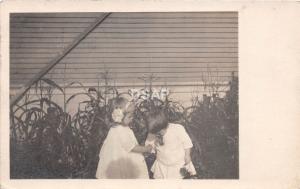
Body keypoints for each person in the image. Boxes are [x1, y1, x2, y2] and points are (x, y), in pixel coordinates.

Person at [95, 97, 152, 179]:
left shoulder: (115, 128)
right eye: (129, 117)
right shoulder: (121, 131)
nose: (132, 118)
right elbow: (132, 147)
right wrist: (146, 149)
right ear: (120, 117)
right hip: (122, 161)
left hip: (117, 157)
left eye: (132, 116)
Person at [145, 109, 197, 179]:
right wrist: (151, 147)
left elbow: (187, 143)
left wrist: (187, 155)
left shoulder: (177, 129)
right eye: (154, 133)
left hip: (178, 164)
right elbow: (149, 146)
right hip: (162, 164)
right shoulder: (153, 133)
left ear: (164, 125)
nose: (157, 134)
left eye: (159, 132)